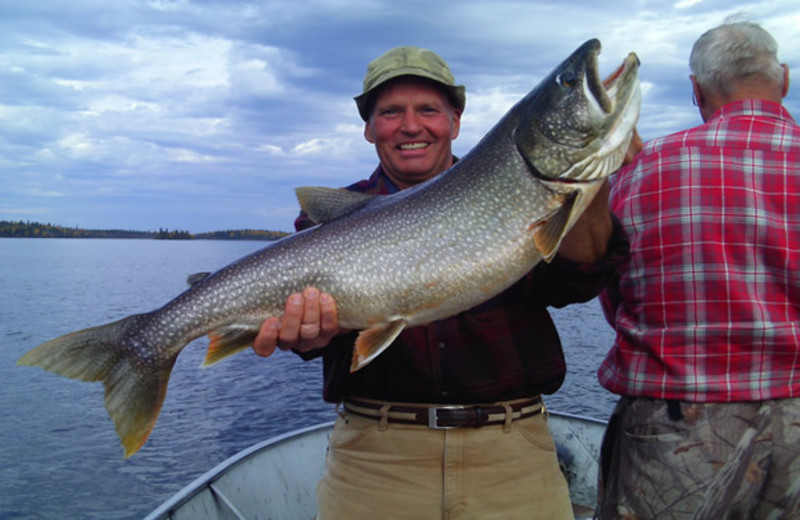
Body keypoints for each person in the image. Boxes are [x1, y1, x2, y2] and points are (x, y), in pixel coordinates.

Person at [253, 46, 629, 519]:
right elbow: (311, 343)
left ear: (455, 121)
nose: (411, 126)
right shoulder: (328, 222)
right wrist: (305, 336)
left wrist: (586, 182)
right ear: (370, 128)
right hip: (374, 463)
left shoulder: (516, 185)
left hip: (514, 458)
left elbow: (577, 282)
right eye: (391, 112)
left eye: (428, 110)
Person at [597, 20, 800, 519]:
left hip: (676, 426)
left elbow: (612, 291)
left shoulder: (645, 169)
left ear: (695, 90)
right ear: (786, 80)